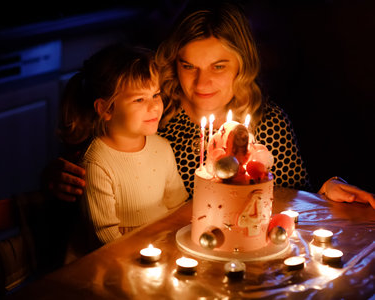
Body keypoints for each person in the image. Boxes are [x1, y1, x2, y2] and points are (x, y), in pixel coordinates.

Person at [43, 0, 374, 209]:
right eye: (189, 66)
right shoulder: (154, 115)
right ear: (174, 63)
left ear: (241, 66)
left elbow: (291, 197)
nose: (201, 84)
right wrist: (59, 179)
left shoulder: (266, 123)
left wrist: (324, 192)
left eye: (219, 67)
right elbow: (97, 172)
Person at [58, 44, 188, 246]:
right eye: (139, 99)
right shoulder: (96, 162)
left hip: (162, 247)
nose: (154, 106)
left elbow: (177, 205)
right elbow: (104, 233)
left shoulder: (162, 147)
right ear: (106, 108)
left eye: (156, 95)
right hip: (117, 257)